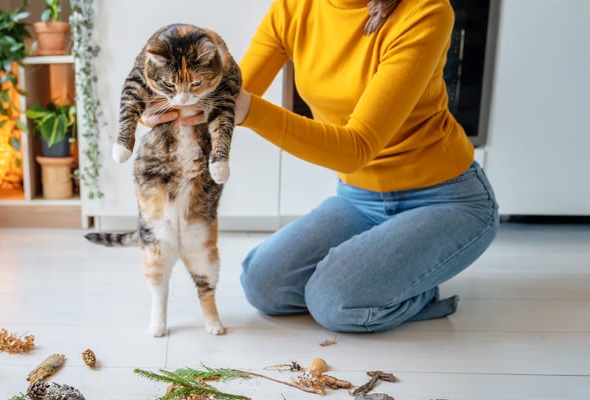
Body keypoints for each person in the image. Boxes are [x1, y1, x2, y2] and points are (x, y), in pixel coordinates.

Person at [141, 0, 500, 333]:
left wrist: (249, 111)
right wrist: (164, 108)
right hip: (359, 198)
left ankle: (415, 286)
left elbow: (355, 149)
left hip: (446, 199)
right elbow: (233, 91)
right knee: (263, 285)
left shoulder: (425, 12)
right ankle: (385, 270)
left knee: (334, 304)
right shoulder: (296, 7)